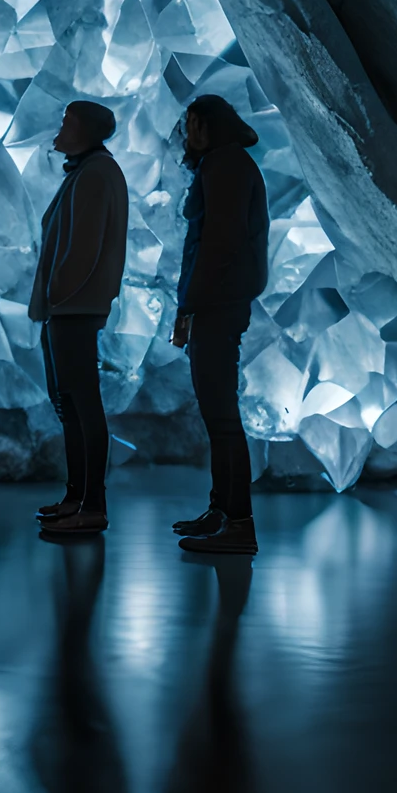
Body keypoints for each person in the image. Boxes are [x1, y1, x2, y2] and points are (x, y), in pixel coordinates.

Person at [170, 94, 269, 557]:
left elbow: (216, 244)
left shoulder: (223, 166)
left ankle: (238, 522)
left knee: (223, 417)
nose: (187, 134)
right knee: (217, 415)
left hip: (217, 305)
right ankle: (221, 510)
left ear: (211, 128)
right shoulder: (226, 164)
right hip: (217, 303)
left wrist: (189, 306)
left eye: (193, 125)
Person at [29, 98, 129, 539]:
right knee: (72, 404)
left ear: (85, 131)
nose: (59, 127)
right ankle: (77, 497)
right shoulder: (89, 172)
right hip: (69, 308)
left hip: (74, 309)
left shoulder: (95, 175)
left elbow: (82, 250)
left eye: (66, 121)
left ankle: (92, 504)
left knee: (82, 404)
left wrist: (57, 295)